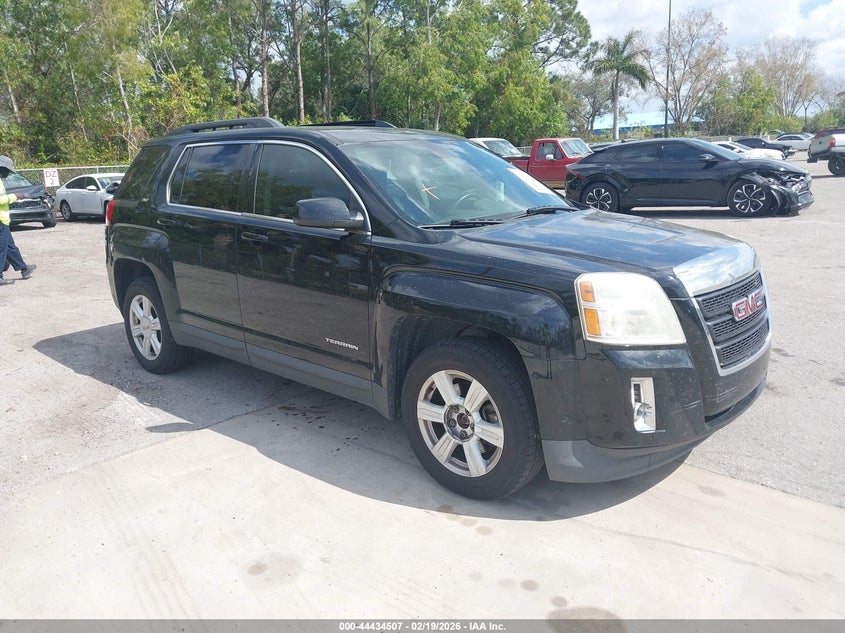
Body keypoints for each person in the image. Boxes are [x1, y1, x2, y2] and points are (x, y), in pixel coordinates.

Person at [0, 155, 37, 286]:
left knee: (9, 247)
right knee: (2, 248)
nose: (7, 174)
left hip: (3, 220)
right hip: (0, 220)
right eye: (7, 171)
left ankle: (24, 268)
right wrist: (15, 196)